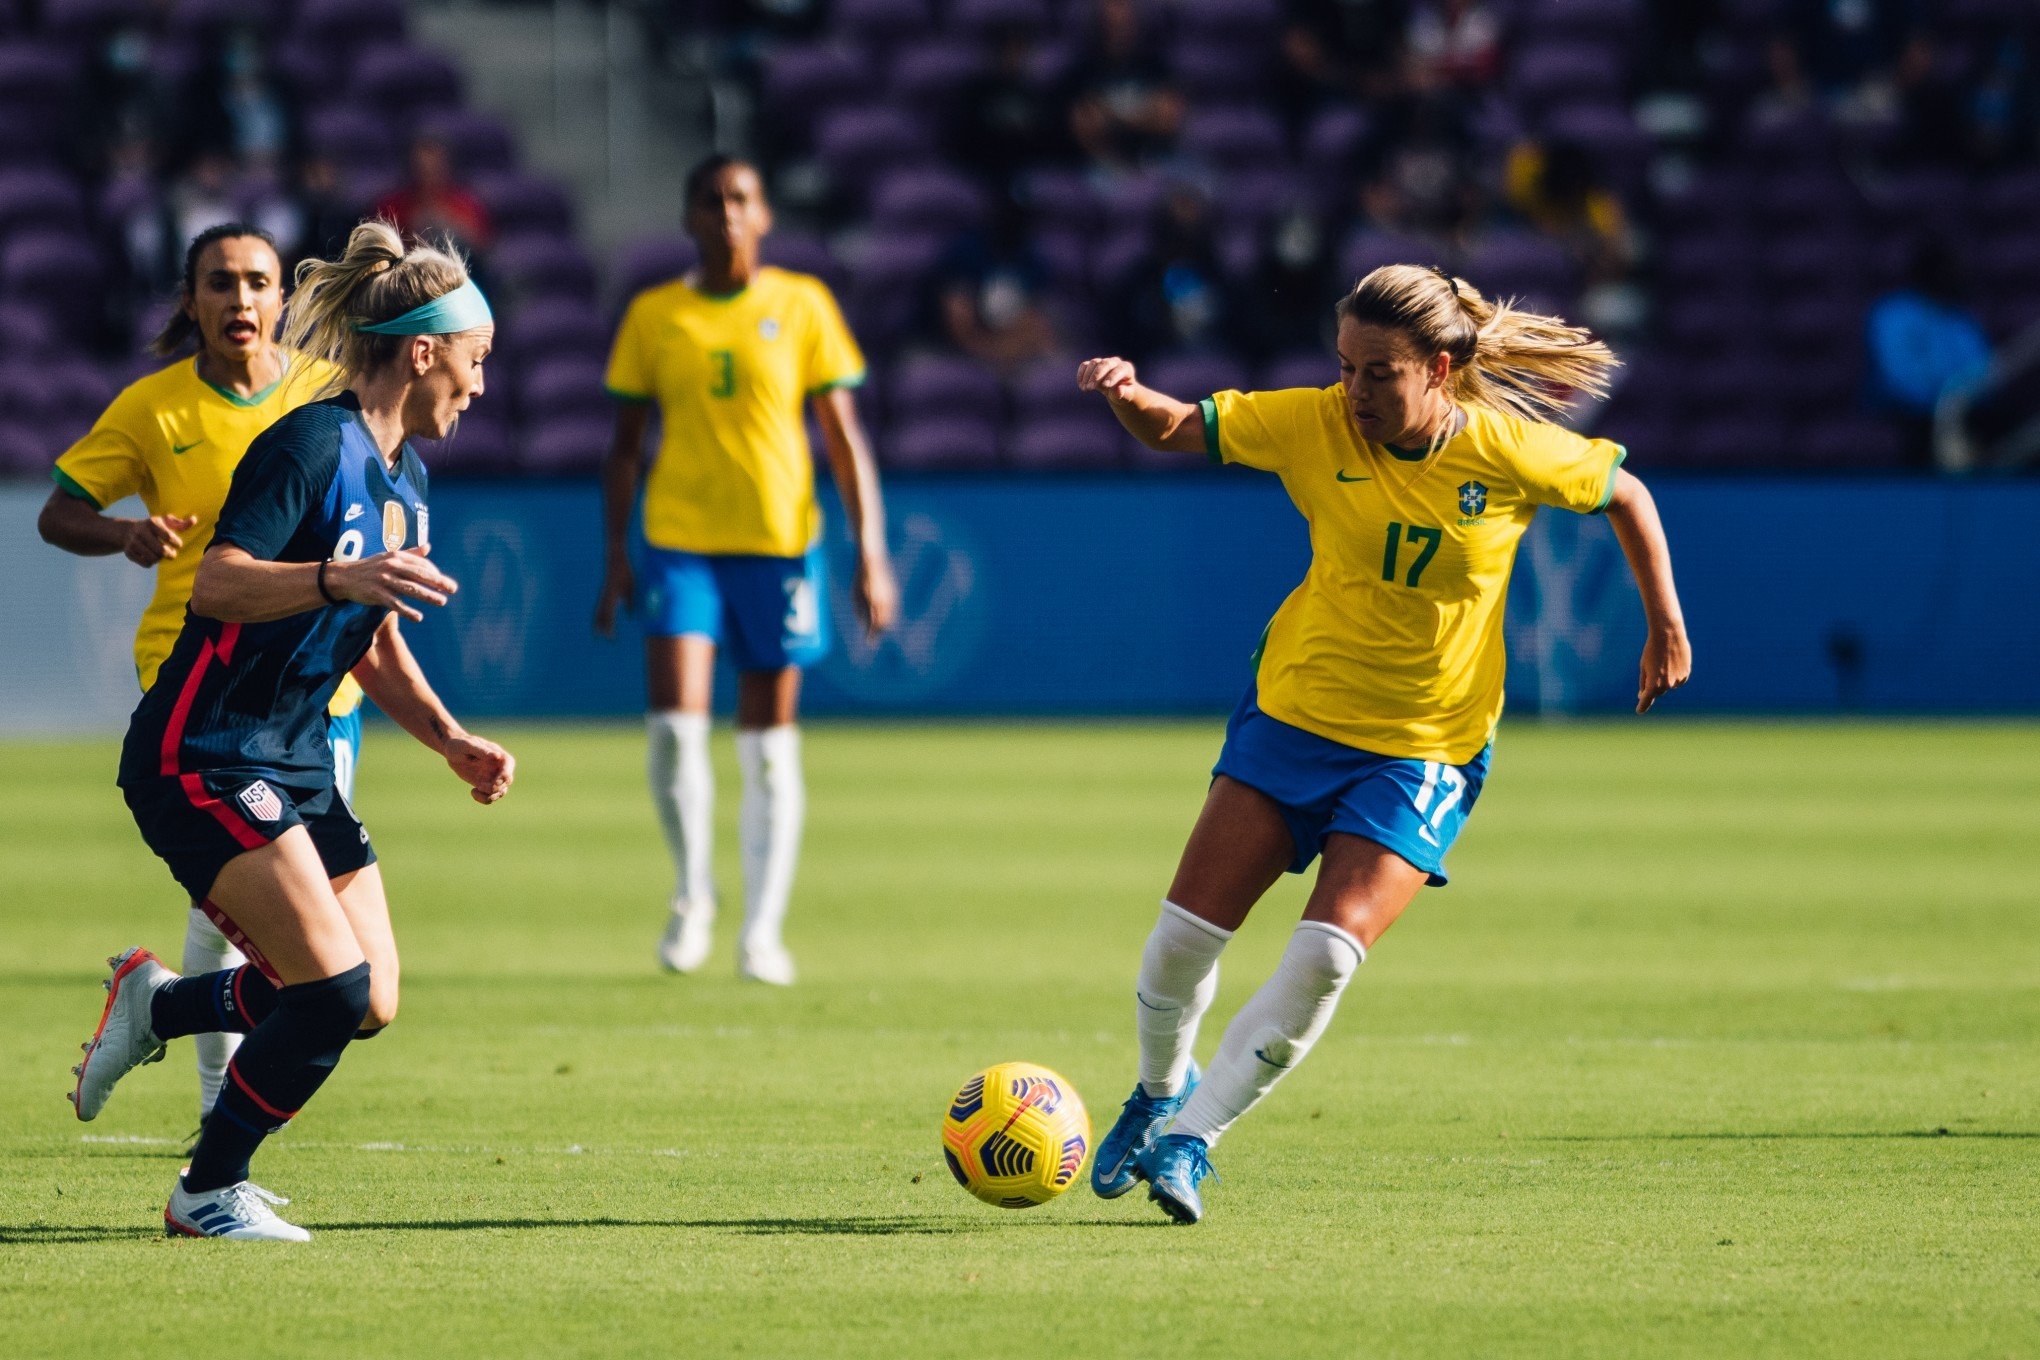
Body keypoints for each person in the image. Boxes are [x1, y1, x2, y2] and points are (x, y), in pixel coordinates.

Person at [1075, 264, 1692, 1224]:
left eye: (1378, 373)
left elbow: (1628, 494)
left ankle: (1193, 1137)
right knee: (1179, 946)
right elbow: (1171, 425)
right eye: (1346, 367)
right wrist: (1123, 390)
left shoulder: (1506, 451)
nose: (1353, 393)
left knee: (1327, 953)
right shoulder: (1313, 422)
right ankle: (1157, 1092)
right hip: (1294, 717)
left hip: (1424, 750)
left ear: (1440, 369)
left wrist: (1666, 624)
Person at [68, 221, 514, 1241]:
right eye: (476, 361)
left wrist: (449, 740)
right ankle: (205, 1193)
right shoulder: (313, 444)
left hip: (294, 757)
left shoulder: (406, 478)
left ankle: (160, 1004)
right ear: (423, 350)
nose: (481, 387)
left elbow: (371, 641)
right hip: (203, 750)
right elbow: (218, 583)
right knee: (326, 991)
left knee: (371, 1000)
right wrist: (332, 576)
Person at [37, 223, 358, 1131]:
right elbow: (61, 512)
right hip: (197, 680)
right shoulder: (152, 408)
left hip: (321, 690)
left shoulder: (318, 395)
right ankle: (221, 1112)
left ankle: (163, 1016)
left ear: (283, 298)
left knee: (310, 932)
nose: (242, 299)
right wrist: (124, 535)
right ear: (191, 301)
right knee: (226, 907)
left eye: (259, 280)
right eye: (221, 282)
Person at [595, 154, 897, 984]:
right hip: (680, 541)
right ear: (689, 217)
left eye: (741, 199)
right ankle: (693, 896)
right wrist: (615, 552)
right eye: (711, 200)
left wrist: (869, 551)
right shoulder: (655, 316)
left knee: (767, 746)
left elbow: (843, 440)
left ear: (764, 216)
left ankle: (762, 929)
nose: (727, 213)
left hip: (778, 545)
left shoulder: (803, 305)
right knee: (675, 726)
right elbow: (623, 449)